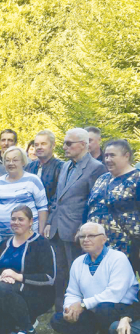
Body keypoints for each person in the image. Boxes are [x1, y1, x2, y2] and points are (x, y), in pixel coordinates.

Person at [0, 206, 55, 334]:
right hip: (4, 289)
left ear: (30, 221)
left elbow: (49, 278)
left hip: (36, 293)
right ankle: (25, 320)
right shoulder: (5, 243)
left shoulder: (42, 244)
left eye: (21, 219)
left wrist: (18, 277)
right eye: (13, 219)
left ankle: (28, 331)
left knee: (5, 288)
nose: (16, 222)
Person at [45, 128, 106, 312]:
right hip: (57, 229)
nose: (64, 147)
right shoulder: (65, 166)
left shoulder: (96, 168)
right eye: (64, 143)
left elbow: (94, 203)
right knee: (60, 273)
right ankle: (59, 312)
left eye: (68, 143)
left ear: (83, 144)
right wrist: (49, 221)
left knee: (78, 274)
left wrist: (83, 230)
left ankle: (80, 313)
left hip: (77, 232)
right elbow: (58, 198)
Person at [50, 223, 138, 334]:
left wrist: (82, 305)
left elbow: (114, 295)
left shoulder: (118, 258)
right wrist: (69, 309)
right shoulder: (78, 262)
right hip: (93, 309)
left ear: (104, 239)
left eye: (91, 236)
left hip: (120, 309)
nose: (86, 240)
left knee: (104, 308)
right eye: (82, 236)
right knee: (57, 319)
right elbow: (73, 292)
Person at [86, 139, 140, 271]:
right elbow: (90, 207)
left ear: (126, 156)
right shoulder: (102, 178)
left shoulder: (136, 179)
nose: (108, 159)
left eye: (112, 155)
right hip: (99, 249)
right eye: (106, 156)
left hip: (127, 249)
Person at [0, 146, 48, 242]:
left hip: (28, 237)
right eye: (7, 160)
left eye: (15, 160)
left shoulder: (33, 180)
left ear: (23, 162)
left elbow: (42, 208)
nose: (11, 163)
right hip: (3, 238)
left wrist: (40, 233)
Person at [24, 130, 63, 205]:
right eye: (36, 144)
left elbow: (59, 197)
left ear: (53, 145)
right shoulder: (29, 167)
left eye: (43, 144)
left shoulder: (61, 168)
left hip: (50, 213)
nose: (39, 147)